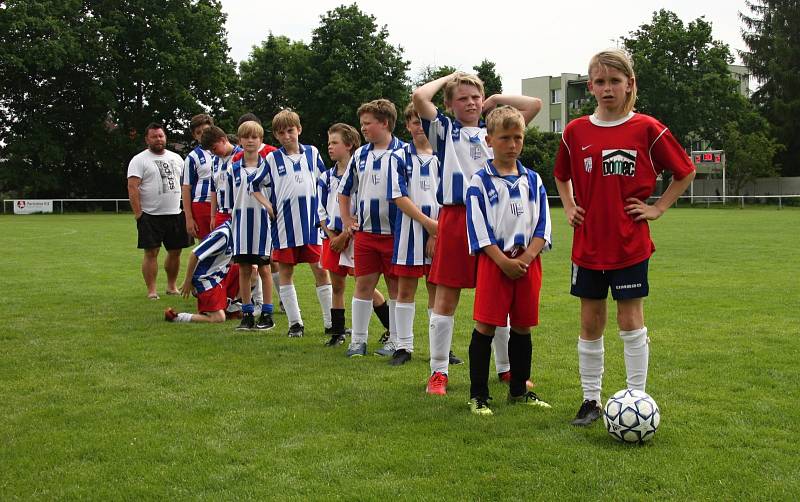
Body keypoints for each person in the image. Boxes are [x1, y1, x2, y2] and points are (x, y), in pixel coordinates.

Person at [553, 49, 696, 426]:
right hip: (588, 244)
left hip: (630, 243)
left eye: (615, 81)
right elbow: (561, 174)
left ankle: (638, 397)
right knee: (590, 322)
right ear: (591, 87)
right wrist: (568, 206)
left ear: (629, 84)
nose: (607, 88)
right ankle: (590, 400)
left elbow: (684, 171)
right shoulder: (575, 131)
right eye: (599, 82)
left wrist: (657, 208)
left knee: (630, 320)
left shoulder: (647, 128)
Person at [412, 71, 542, 395]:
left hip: (495, 220)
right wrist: (450, 78)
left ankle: (506, 369)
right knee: (446, 298)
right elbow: (419, 98)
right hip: (456, 218)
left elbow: (536, 104)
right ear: (450, 104)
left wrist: (496, 100)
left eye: (475, 97)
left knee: (501, 297)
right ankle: (438, 371)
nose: (471, 103)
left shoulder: (494, 131)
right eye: (463, 98)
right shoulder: (444, 130)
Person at [464, 106, 553, 416]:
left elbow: (543, 225)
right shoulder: (479, 182)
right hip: (495, 262)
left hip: (528, 263)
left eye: (518, 138)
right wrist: (502, 261)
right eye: (504, 138)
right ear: (489, 140)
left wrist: (527, 257)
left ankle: (518, 390)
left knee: (523, 327)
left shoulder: (534, 180)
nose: (512, 144)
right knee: (486, 326)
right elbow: (478, 228)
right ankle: (478, 395)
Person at [251, 109, 332, 338]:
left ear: (299, 129)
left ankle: (330, 323)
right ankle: (295, 323)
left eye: (290, 130)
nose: (287, 136)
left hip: (311, 224)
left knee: (320, 269)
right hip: (284, 226)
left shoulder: (312, 153)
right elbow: (255, 186)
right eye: (281, 132)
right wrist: (268, 205)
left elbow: (324, 181)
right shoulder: (272, 158)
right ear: (276, 136)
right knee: (286, 272)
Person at [338, 99, 405, 358]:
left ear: (384, 123)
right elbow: (344, 192)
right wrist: (346, 219)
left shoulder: (404, 153)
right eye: (362, 123)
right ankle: (358, 341)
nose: (363, 129)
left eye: (367, 123)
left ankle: (396, 341)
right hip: (366, 234)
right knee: (362, 285)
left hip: (396, 235)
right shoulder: (361, 155)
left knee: (396, 289)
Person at [318, 123, 394, 346]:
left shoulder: (361, 170)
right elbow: (321, 210)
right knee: (337, 286)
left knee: (365, 286)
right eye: (329, 143)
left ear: (349, 145)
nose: (330, 147)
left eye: (335, 143)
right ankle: (338, 331)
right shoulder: (324, 177)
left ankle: (391, 326)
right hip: (332, 239)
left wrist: (346, 234)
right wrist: (332, 237)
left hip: (353, 238)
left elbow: (362, 208)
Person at [386, 103, 441, 366]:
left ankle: (439, 349)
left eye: (424, 121)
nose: (420, 127)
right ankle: (403, 346)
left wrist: (436, 230)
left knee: (437, 291)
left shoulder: (444, 156)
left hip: (439, 232)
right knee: (405, 289)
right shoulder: (398, 156)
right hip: (409, 231)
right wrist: (427, 223)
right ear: (407, 126)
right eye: (415, 122)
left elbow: (451, 196)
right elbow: (398, 196)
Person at [127, 122, 192, 299]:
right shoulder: (139, 160)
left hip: (175, 213)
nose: (158, 139)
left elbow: (185, 185)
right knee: (151, 252)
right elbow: (133, 187)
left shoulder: (177, 158)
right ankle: (152, 291)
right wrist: (139, 214)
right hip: (150, 215)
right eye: (154, 136)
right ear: (147, 139)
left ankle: (171, 286)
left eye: (161, 135)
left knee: (176, 252)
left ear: (165, 137)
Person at [224, 120, 276, 331]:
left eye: (255, 137)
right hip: (241, 224)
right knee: (244, 269)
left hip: (262, 224)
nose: (250, 141)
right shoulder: (233, 168)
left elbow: (273, 197)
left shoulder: (268, 167)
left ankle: (267, 313)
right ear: (240, 140)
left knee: (264, 268)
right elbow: (228, 200)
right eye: (246, 137)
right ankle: (246, 313)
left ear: (261, 140)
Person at [164, 220, 240, 323]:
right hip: (206, 279)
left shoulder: (236, 232)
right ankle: (177, 317)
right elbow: (194, 254)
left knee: (248, 269)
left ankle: (232, 307)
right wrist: (188, 281)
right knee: (219, 318)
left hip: (218, 276)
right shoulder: (223, 235)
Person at [182, 114, 215, 240]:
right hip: (202, 205)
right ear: (194, 135)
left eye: (205, 131)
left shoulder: (224, 151)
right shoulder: (192, 157)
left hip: (223, 206)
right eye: (198, 132)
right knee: (206, 249)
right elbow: (186, 188)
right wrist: (189, 219)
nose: (202, 135)